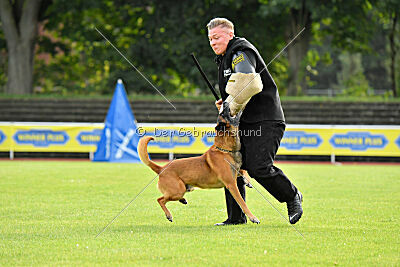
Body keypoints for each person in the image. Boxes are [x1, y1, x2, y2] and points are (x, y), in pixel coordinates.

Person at [207, 17, 303, 225]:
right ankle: (235, 217)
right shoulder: (224, 58)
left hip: (266, 120)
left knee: (258, 167)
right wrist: (226, 103)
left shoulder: (239, 51)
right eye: (210, 39)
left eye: (216, 37)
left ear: (230, 35)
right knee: (230, 164)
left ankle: (292, 196)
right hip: (245, 123)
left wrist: (230, 104)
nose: (213, 42)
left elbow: (249, 82)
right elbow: (237, 94)